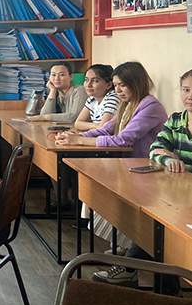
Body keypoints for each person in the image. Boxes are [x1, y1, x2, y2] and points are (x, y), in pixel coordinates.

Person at [56, 62, 168, 272]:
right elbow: (106, 129)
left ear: (136, 83)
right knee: (95, 184)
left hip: (146, 171)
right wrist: (74, 136)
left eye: (122, 85)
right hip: (126, 166)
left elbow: (122, 140)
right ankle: (127, 247)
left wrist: (81, 141)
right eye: (116, 85)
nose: (118, 90)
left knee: (102, 189)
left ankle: (132, 256)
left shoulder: (150, 106)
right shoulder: (128, 104)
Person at [150, 69, 192, 173]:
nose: (190, 97)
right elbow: (155, 150)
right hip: (182, 181)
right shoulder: (175, 120)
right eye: (186, 90)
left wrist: (181, 165)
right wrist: (170, 161)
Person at [74, 64, 119, 131]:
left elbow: (103, 128)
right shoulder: (92, 99)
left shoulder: (113, 97)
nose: (88, 85)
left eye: (95, 81)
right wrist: (96, 126)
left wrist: (96, 127)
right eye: (86, 80)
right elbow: (77, 124)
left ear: (109, 85)